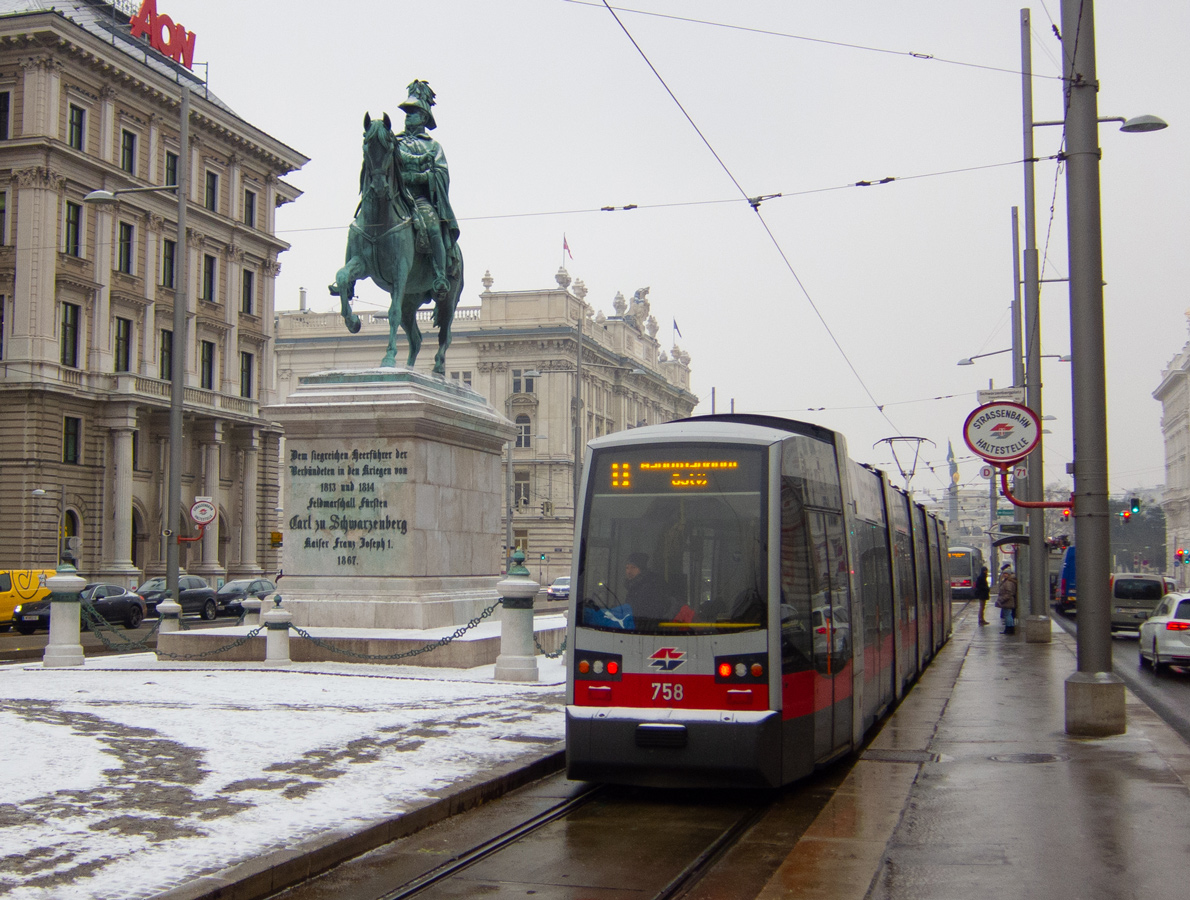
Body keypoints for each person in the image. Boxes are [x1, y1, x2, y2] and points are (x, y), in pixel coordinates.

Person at [394, 80, 460, 300]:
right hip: (395, 197)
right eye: (406, 113)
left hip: (419, 199)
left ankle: (440, 275)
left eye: (413, 112)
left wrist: (416, 176)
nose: (408, 116)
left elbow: (441, 175)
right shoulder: (394, 142)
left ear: (423, 116)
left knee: (432, 226)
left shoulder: (433, 146)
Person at [624, 552, 683, 625]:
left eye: (633, 567)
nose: (629, 571)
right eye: (627, 568)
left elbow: (648, 614)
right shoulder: (633, 587)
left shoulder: (653, 585)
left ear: (642, 569)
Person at [996, 563, 1018, 635]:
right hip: (1007, 601)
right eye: (1004, 573)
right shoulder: (1006, 581)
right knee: (1007, 615)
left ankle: (1009, 629)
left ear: (1009, 574)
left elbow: (1009, 593)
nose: (1004, 575)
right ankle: (1008, 629)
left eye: (1006, 573)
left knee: (1008, 615)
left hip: (1007, 601)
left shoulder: (1008, 582)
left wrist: (1002, 599)